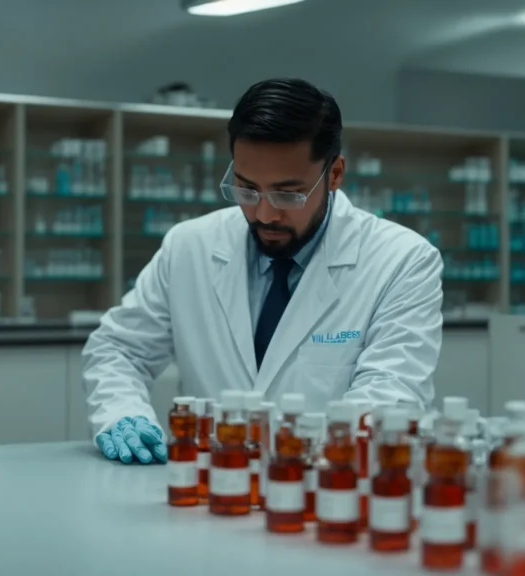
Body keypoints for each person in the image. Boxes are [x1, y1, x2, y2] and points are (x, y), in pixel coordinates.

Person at [83, 78, 444, 464]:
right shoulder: (189, 245)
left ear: (335, 174)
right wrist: (123, 413)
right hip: (210, 491)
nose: (265, 214)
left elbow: (392, 394)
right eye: (247, 189)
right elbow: (120, 349)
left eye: (288, 194)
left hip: (323, 497)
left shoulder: (402, 260)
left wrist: (300, 455)